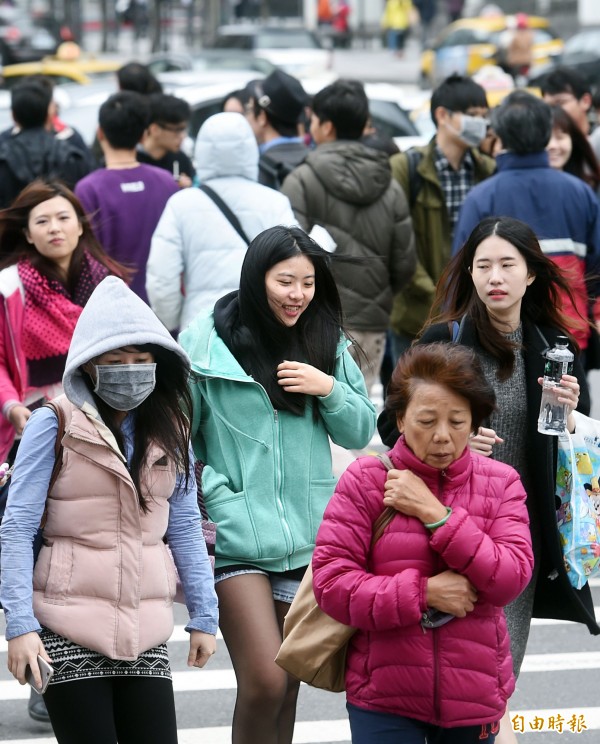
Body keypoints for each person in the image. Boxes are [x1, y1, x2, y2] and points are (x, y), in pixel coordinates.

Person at [384, 216, 599, 743]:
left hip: (512, 539)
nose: (494, 277)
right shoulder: (445, 338)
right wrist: (450, 440)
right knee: (453, 690)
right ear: (470, 273)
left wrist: (570, 416)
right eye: (483, 266)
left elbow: (579, 441)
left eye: (507, 265)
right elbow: (390, 424)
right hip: (441, 531)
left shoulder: (554, 345)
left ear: (530, 275)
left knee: (493, 687)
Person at [179, 225, 376, 744]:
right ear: (256, 276)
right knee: (265, 679)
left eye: (308, 283)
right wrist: (218, 494)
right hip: (235, 535)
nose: (298, 295)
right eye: (285, 281)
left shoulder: (323, 339)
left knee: (288, 681)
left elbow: (359, 430)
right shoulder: (205, 345)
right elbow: (180, 437)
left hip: (308, 538)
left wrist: (329, 388)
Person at [0, 276, 219, 743]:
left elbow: (182, 524)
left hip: (145, 627)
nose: (131, 371)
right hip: (65, 626)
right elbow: (16, 526)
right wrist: (19, 626)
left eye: (142, 361)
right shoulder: (53, 422)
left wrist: (204, 614)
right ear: (89, 365)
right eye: (116, 361)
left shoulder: (170, 426)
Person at [313, 342, 534, 742]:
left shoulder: (502, 483)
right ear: (399, 419)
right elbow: (332, 585)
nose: (443, 437)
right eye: (427, 421)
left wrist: (437, 515)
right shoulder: (366, 480)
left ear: (475, 421)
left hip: (475, 695)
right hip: (383, 698)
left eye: (457, 421)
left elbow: (510, 579)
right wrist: (425, 593)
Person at [0, 179, 125, 723]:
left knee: (86, 543)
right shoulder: (10, 286)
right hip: (30, 425)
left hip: (96, 425)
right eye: (43, 221)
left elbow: (129, 353)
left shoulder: (108, 286)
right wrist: (11, 409)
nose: (54, 229)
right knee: (36, 544)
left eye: (63, 218)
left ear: (81, 223)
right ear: (26, 231)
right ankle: (42, 668)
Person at [282, 79, 416, 395]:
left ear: (326, 126)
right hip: (372, 323)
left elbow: (285, 253)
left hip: (312, 321)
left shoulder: (301, 180)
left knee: (314, 420)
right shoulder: (390, 183)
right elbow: (405, 262)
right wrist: (378, 293)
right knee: (355, 415)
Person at [453, 91, 600, 359]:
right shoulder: (581, 193)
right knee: (570, 401)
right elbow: (596, 267)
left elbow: (461, 272)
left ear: (500, 135)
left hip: (497, 336)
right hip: (569, 332)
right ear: (546, 133)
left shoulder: (482, 197)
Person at [147, 112, 297, 333]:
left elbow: (162, 278)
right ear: (249, 149)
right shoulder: (275, 202)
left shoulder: (181, 204)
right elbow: (294, 265)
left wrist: (172, 322)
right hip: (261, 325)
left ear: (202, 151)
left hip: (201, 326)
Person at [388, 73, 494, 360]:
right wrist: (438, 296)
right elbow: (396, 244)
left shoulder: (487, 170)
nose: (481, 124)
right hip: (417, 316)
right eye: (473, 115)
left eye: (485, 116)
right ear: (442, 115)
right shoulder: (405, 168)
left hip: (476, 315)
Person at [75, 91, 179, 303]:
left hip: (110, 307)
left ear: (100, 133)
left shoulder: (88, 189)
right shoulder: (167, 181)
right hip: (161, 307)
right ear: (143, 135)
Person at [0, 79, 92, 209]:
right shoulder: (72, 156)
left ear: (13, 116)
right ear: (49, 114)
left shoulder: (4, 156)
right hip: (62, 228)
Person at [245, 70, 310, 191]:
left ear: (262, 117)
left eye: (249, 110)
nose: (246, 118)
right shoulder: (316, 162)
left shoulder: (256, 171)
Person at [137, 93, 196, 189]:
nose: (183, 136)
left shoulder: (181, 159)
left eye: (184, 129)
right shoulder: (132, 160)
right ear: (155, 129)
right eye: (178, 130)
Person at [547, 105, 600, 191]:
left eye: (560, 137)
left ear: (572, 140)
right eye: (545, 139)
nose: (552, 146)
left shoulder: (588, 187)